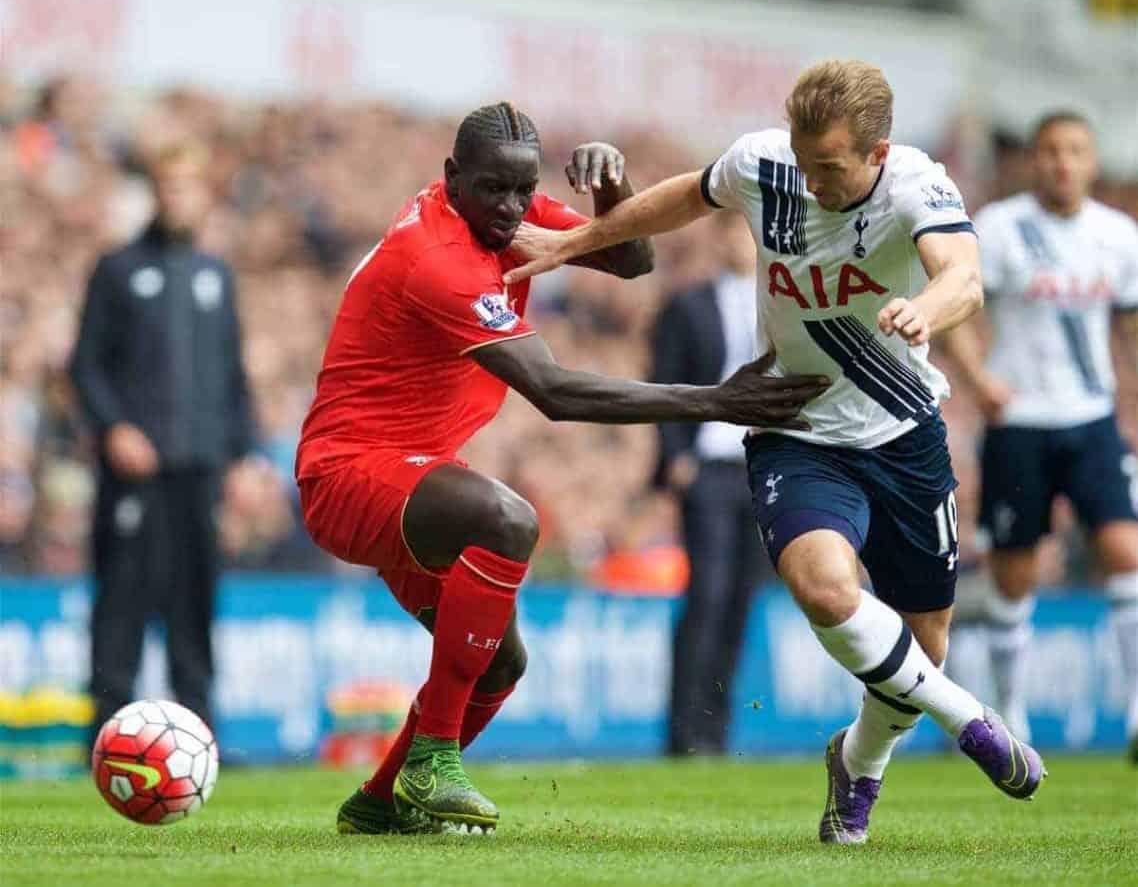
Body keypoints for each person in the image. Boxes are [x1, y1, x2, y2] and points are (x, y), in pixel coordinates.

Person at [506, 60, 1047, 844]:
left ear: (878, 153)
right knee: (828, 591)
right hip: (795, 429)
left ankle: (856, 764)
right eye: (805, 160)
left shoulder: (917, 187)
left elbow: (962, 276)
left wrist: (924, 310)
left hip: (902, 434)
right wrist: (584, 238)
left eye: (831, 167)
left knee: (921, 649)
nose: (813, 180)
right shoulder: (766, 161)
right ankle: (971, 719)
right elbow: (689, 194)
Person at [295, 101, 830, 836]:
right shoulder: (439, 257)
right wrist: (718, 399)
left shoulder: (503, 215)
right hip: (350, 475)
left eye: (523, 189)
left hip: (406, 471)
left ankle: (381, 801)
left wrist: (612, 194)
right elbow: (555, 391)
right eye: (494, 191)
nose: (513, 209)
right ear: (452, 178)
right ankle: (433, 760)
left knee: (499, 664)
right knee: (509, 518)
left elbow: (630, 259)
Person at [941, 112, 1138, 758]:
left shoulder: (1118, 237)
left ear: (1091, 160)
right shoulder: (1001, 228)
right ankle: (1012, 716)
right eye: (1051, 150)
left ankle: (1137, 712)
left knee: (1124, 551)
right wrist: (977, 380)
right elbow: (956, 308)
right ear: (1034, 159)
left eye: (1075, 150)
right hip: (1018, 421)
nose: (1062, 162)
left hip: (1090, 417)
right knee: (1014, 572)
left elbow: (1130, 326)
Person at [69, 143, 259, 742]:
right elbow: (85, 366)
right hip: (133, 474)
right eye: (169, 187)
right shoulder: (118, 268)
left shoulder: (214, 275)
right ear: (155, 194)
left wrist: (240, 455)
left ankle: (202, 733)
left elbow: (233, 377)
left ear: (202, 197)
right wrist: (115, 426)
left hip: (198, 470)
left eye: (188, 188)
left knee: (195, 607)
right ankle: (104, 734)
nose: (178, 199)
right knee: (121, 602)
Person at [652, 214, 770, 756]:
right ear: (717, 240)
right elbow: (664, 382)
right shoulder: (689, 305)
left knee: (742, 598)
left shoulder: (785, 307)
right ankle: (685, 732)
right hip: (710, 467)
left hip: (766, 468)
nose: (739, 245)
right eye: (731, 234)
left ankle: (716, 731)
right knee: (707, 594)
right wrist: (676, 454)